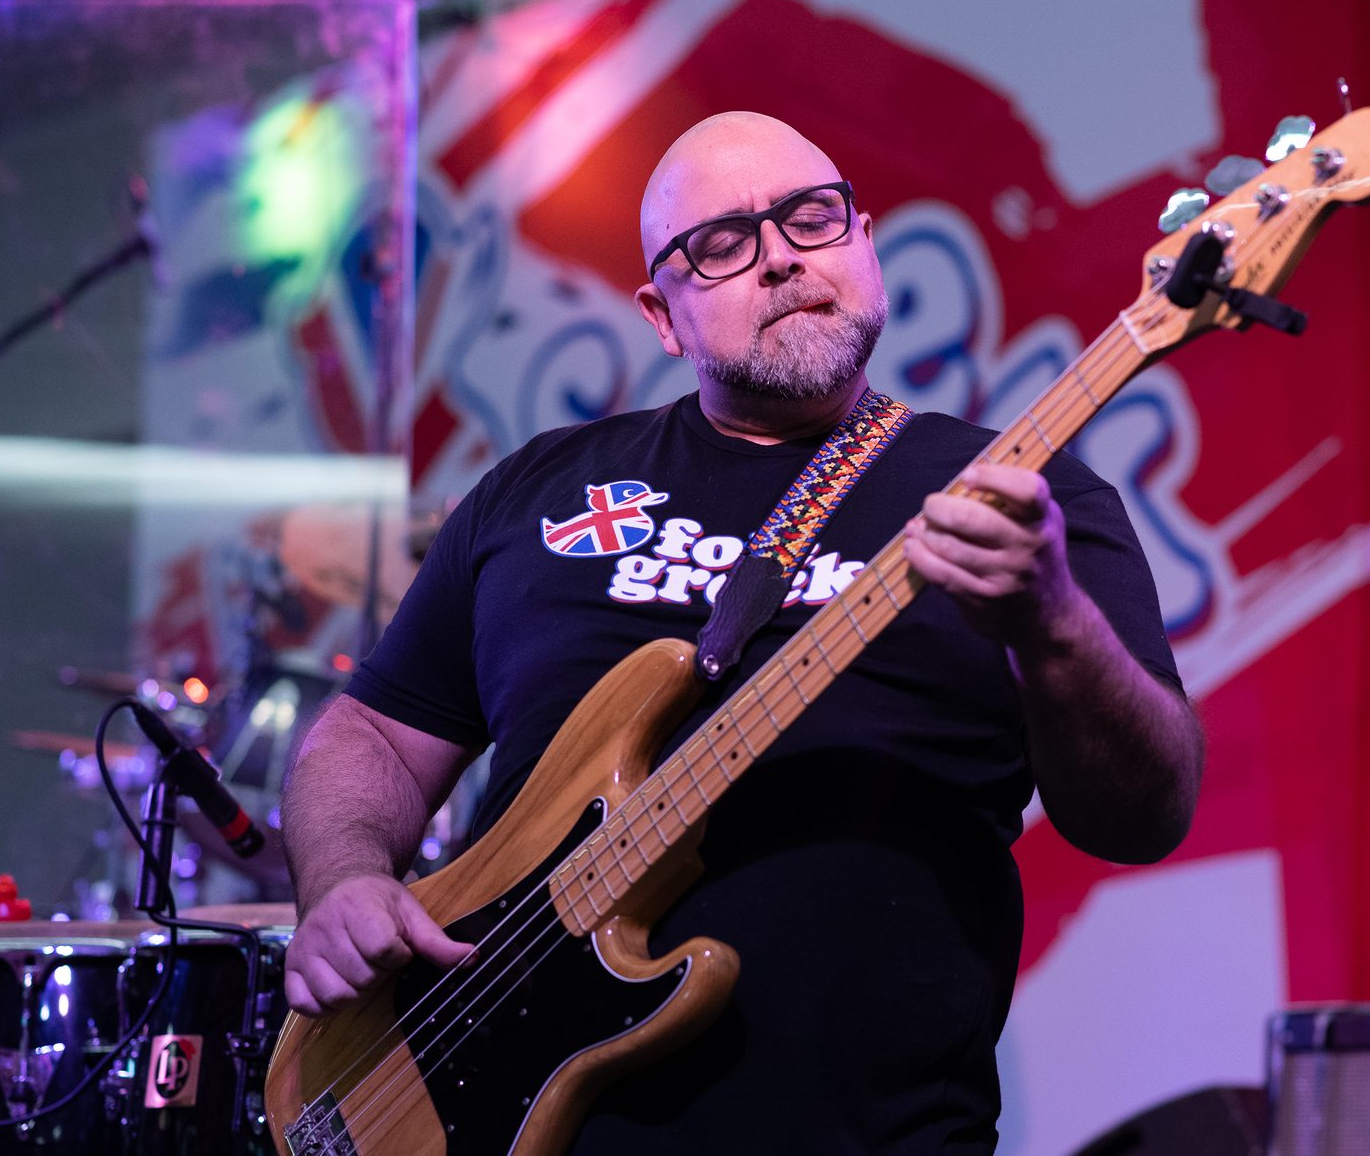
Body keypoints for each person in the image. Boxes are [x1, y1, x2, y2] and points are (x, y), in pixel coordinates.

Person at [280, 112, 1203, 1153]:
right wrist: (345, 875)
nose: (778, 256)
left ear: (864, 243)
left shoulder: (1029, 501)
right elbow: (372, 738)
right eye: (719, 244)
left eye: (812, 218)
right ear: (661, 315)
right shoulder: (536, 490)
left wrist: (1054, 622)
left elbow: (1148, 810)